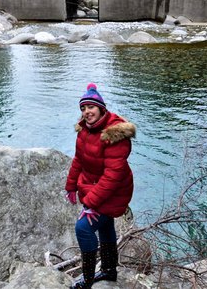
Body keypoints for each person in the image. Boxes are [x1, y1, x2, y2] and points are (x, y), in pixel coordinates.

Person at [64, 83, 136, 289]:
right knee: (105, 225)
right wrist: (70, 186)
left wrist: (91, 204)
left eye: (91, 107)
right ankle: (109, 270)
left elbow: (112, 176)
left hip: (114, 191)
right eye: (83, 108)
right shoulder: (85, 131)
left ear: (101, 108)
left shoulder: (115, 135)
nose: (86, 112)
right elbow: (79, 159)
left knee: (83, 228)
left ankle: (87, 280)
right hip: (96, 189)